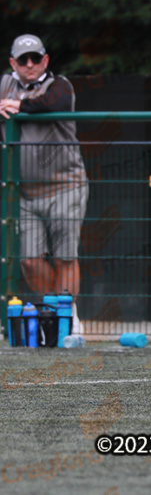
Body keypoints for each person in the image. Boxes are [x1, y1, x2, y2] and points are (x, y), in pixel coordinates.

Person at [0, 34, 88, 334]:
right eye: (22, 60)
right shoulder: (5, 85)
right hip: (25, 192)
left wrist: (18, 104)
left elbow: (54, 103)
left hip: (66, 186)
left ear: (45, 60)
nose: (29, 64)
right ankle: (57, 311)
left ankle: (67, 319)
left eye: (35, 58)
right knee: (28, 261)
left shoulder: (60, 84)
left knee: (65, 257)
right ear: (13, 63)